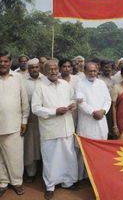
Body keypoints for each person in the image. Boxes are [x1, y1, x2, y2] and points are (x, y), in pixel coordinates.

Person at [32, 60, 78, 200]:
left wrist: (72, 105)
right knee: (51, 159)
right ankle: (50, 186)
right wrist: (54, 111)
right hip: (50, 129)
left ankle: (67, 182)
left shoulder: (65, 84)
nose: (53, 71)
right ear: (44, 71)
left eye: (55, 68)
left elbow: (73, 99)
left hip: (66, 127)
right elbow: (36, 108)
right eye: (50, 69)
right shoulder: (40, 87)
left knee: (68, 157)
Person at [0, 50, 29, 197]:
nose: (3, 64)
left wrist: (24, 121)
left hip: (13, 125)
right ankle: (3, 183)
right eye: (1, 61)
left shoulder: (17, 77)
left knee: (15, 156)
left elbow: (24, 100)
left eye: (5, 61)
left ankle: (17, 182)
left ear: (10, 63)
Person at [75, 62, 111, 180]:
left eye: (94, 71)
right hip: (87, 121)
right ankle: (81, 177)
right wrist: (92, 112)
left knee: (100, 150)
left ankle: (97, 177)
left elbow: (108, 100)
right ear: (85, 71)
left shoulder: (101, 83)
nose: (92, 73)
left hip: (101, 120)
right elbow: (80, 102)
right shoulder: (80, 84)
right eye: (90, 71)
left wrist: (103, 111)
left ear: (97, 71)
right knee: (83, 152)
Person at [24, 58, 45, 183]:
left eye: (36, 67)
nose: (35, 70)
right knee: (30, 148)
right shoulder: (23, 81)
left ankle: (45, 172)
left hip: (45, 120)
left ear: (39, 68)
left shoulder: (46, 79)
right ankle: (31, 174)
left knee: (45, 147)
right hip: (30, 120)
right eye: (32, 67)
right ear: (28, 69)